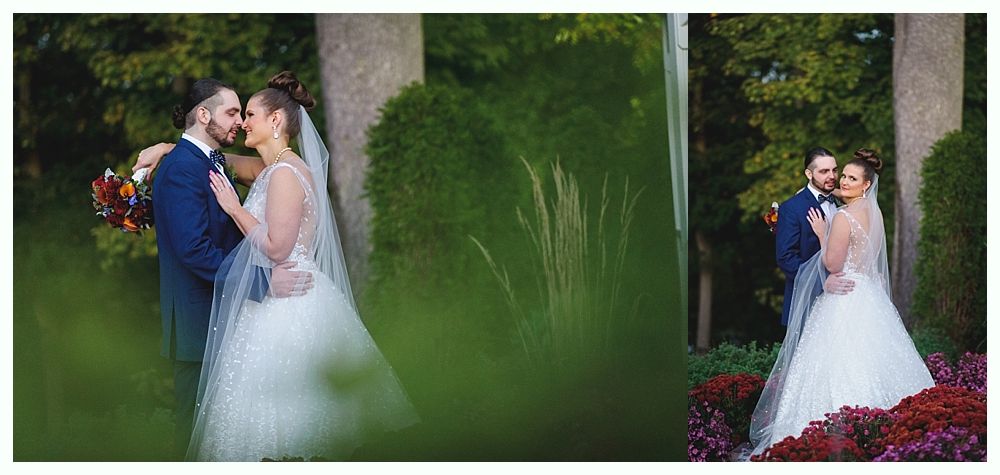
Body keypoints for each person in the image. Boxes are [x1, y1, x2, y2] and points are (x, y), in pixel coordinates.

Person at [186, 71, 418, 461]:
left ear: (276, 121)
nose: (244, 121)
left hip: (288, 301)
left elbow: (278, 248)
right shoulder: (276, 170)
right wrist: (165, 149)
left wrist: (235, 209)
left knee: (288, 415)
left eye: (252, 114)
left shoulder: (285, 175)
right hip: (280, 293)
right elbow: (218, 159)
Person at [150, 78, 313, 459]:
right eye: (232, 112)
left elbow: (267, 170)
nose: (239, 121)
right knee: (195, 440)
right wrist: (264, 280)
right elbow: (193, 250)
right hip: (199, 324)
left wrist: (165, 146)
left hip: (231, 318)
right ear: (203, 115)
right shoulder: (181, 170)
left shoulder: (211, 161)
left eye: (245, 113)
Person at [748, 149, 935, 456]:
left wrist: (824, 235)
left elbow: (834, 264)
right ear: (810, 174)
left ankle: (838, 438)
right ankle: (888, 433)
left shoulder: (843, 213)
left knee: (833, 365)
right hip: (867, 298)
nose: (837, 179)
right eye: (832, 173)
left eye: (844, 174)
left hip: (842, 296)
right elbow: (787, 257)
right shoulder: (871, 211)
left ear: (865, 184)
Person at [775, 147, 855, 326]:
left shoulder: (844, 203)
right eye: (824, 171)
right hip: (808, 301)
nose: (832, 176)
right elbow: (785, 257)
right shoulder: (792, 208)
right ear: (808, 174)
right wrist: (823, 281)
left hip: (845, 300)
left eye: (834, 170)